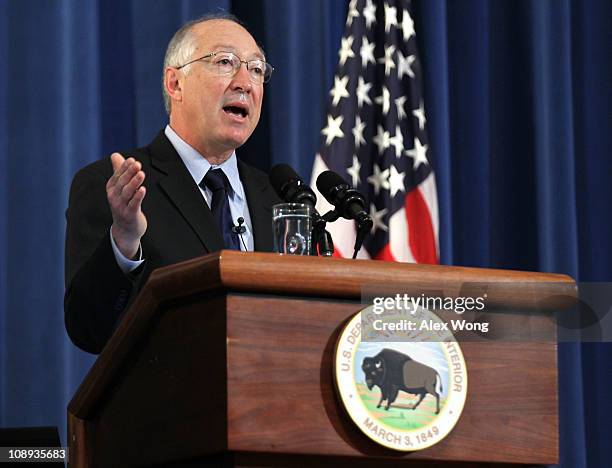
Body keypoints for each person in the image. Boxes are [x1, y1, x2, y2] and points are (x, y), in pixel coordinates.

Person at [64, 14, 282, 354]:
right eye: (225, 62)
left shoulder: (279, 197)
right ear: (175, 84)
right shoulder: (116, 187)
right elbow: (89, 330)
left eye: (256, 69)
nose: (246, 83)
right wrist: (123, 241)